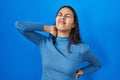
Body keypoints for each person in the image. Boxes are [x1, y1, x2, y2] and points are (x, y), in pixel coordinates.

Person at [15, 5, 102, 80]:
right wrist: (48, 28)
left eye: (67, 16)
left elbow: (97, 65)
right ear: (56, 19)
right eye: (60, 15)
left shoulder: (82, 49)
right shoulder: (44, 42)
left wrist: (82, 72)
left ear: (73, 24)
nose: (62, 17)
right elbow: (19, 25)